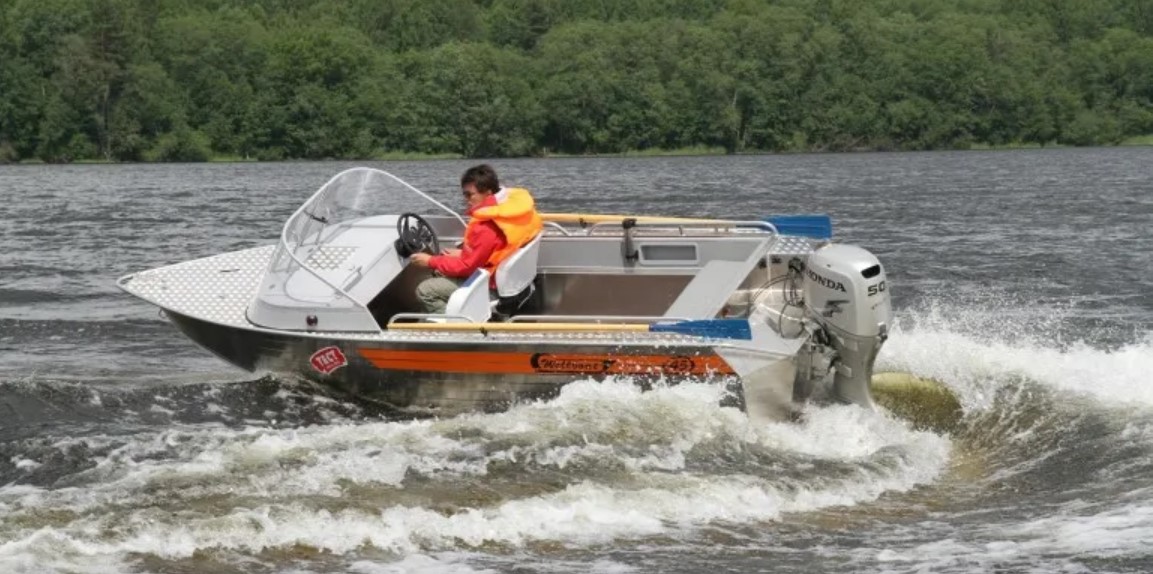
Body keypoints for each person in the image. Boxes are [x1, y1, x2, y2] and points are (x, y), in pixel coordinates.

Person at [410, 164, 543, 314]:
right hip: (508, 282)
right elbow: (495, 251)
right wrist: (462, 254)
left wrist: (429, 261)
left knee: (425, 291)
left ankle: (457, 327)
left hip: (488, 285)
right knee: (441, 269)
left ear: (488, 192)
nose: (465, 200)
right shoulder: (512, 213)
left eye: (469, 195)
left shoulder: (487, 226)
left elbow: (467, 267)